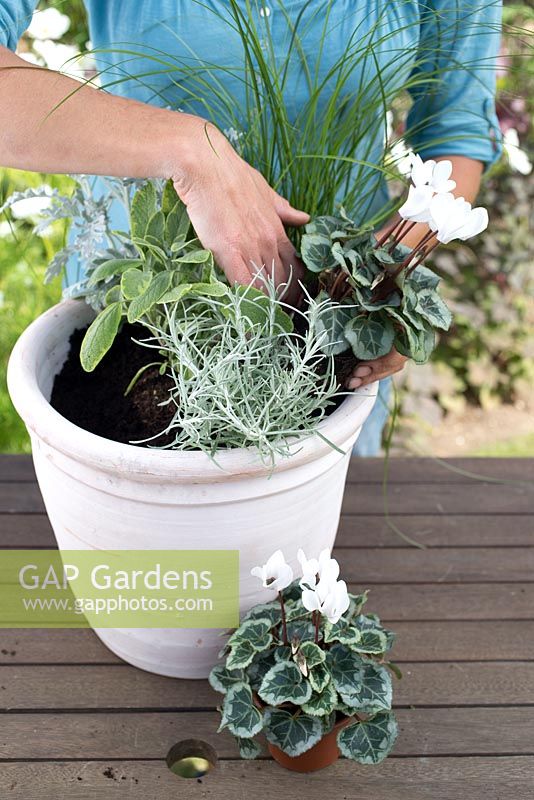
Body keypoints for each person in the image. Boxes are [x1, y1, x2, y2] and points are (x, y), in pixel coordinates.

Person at [0, 1, 502, 454]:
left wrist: (380, 282)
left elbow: (457, 127)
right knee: (144, 555)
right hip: (144, 302)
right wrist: (190, 150)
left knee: (305, 551)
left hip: (326, 316)